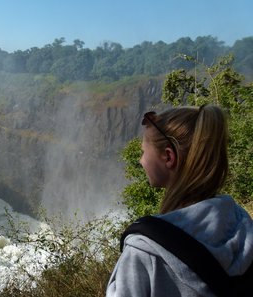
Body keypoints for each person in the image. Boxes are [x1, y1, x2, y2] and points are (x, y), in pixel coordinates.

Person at [106, 104, 253, 296]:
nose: (140, 160)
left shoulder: (144, 252)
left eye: (143, 152)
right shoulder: (242, 225)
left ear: (168, 156)